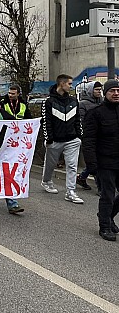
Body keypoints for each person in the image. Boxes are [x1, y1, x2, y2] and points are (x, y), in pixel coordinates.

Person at [82, 79, 119, 241]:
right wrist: (92, 164)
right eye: (112, 91)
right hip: (105, 161)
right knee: (108, 195)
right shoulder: (95, 113)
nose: (116, 93)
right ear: (105, 93)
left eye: (118, 91)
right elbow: (89, 140)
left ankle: (108, 216)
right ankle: (104, 226)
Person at [41, 74, 84, 204]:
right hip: (55, 140)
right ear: (62, 84)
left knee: (72, 166)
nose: (71, 86)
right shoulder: (49, 102)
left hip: (72, 140)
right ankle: (46, 181)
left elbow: (77, 119)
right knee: (50, 164)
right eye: (69, 84)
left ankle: (71, 192)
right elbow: (46, 121)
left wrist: (79, 136)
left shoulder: (73, 100)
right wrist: (49, 138)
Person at [77, 81, 103, 192]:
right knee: (96, 161)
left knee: (98, 160)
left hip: (103, 136)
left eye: (100, 90)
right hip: (91, 137)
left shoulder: (102, 102)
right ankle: (101, 188)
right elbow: (81, 120)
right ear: (90, 90)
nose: (99, 92)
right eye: (96, 89)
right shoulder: (83, 104)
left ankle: (82, 177)